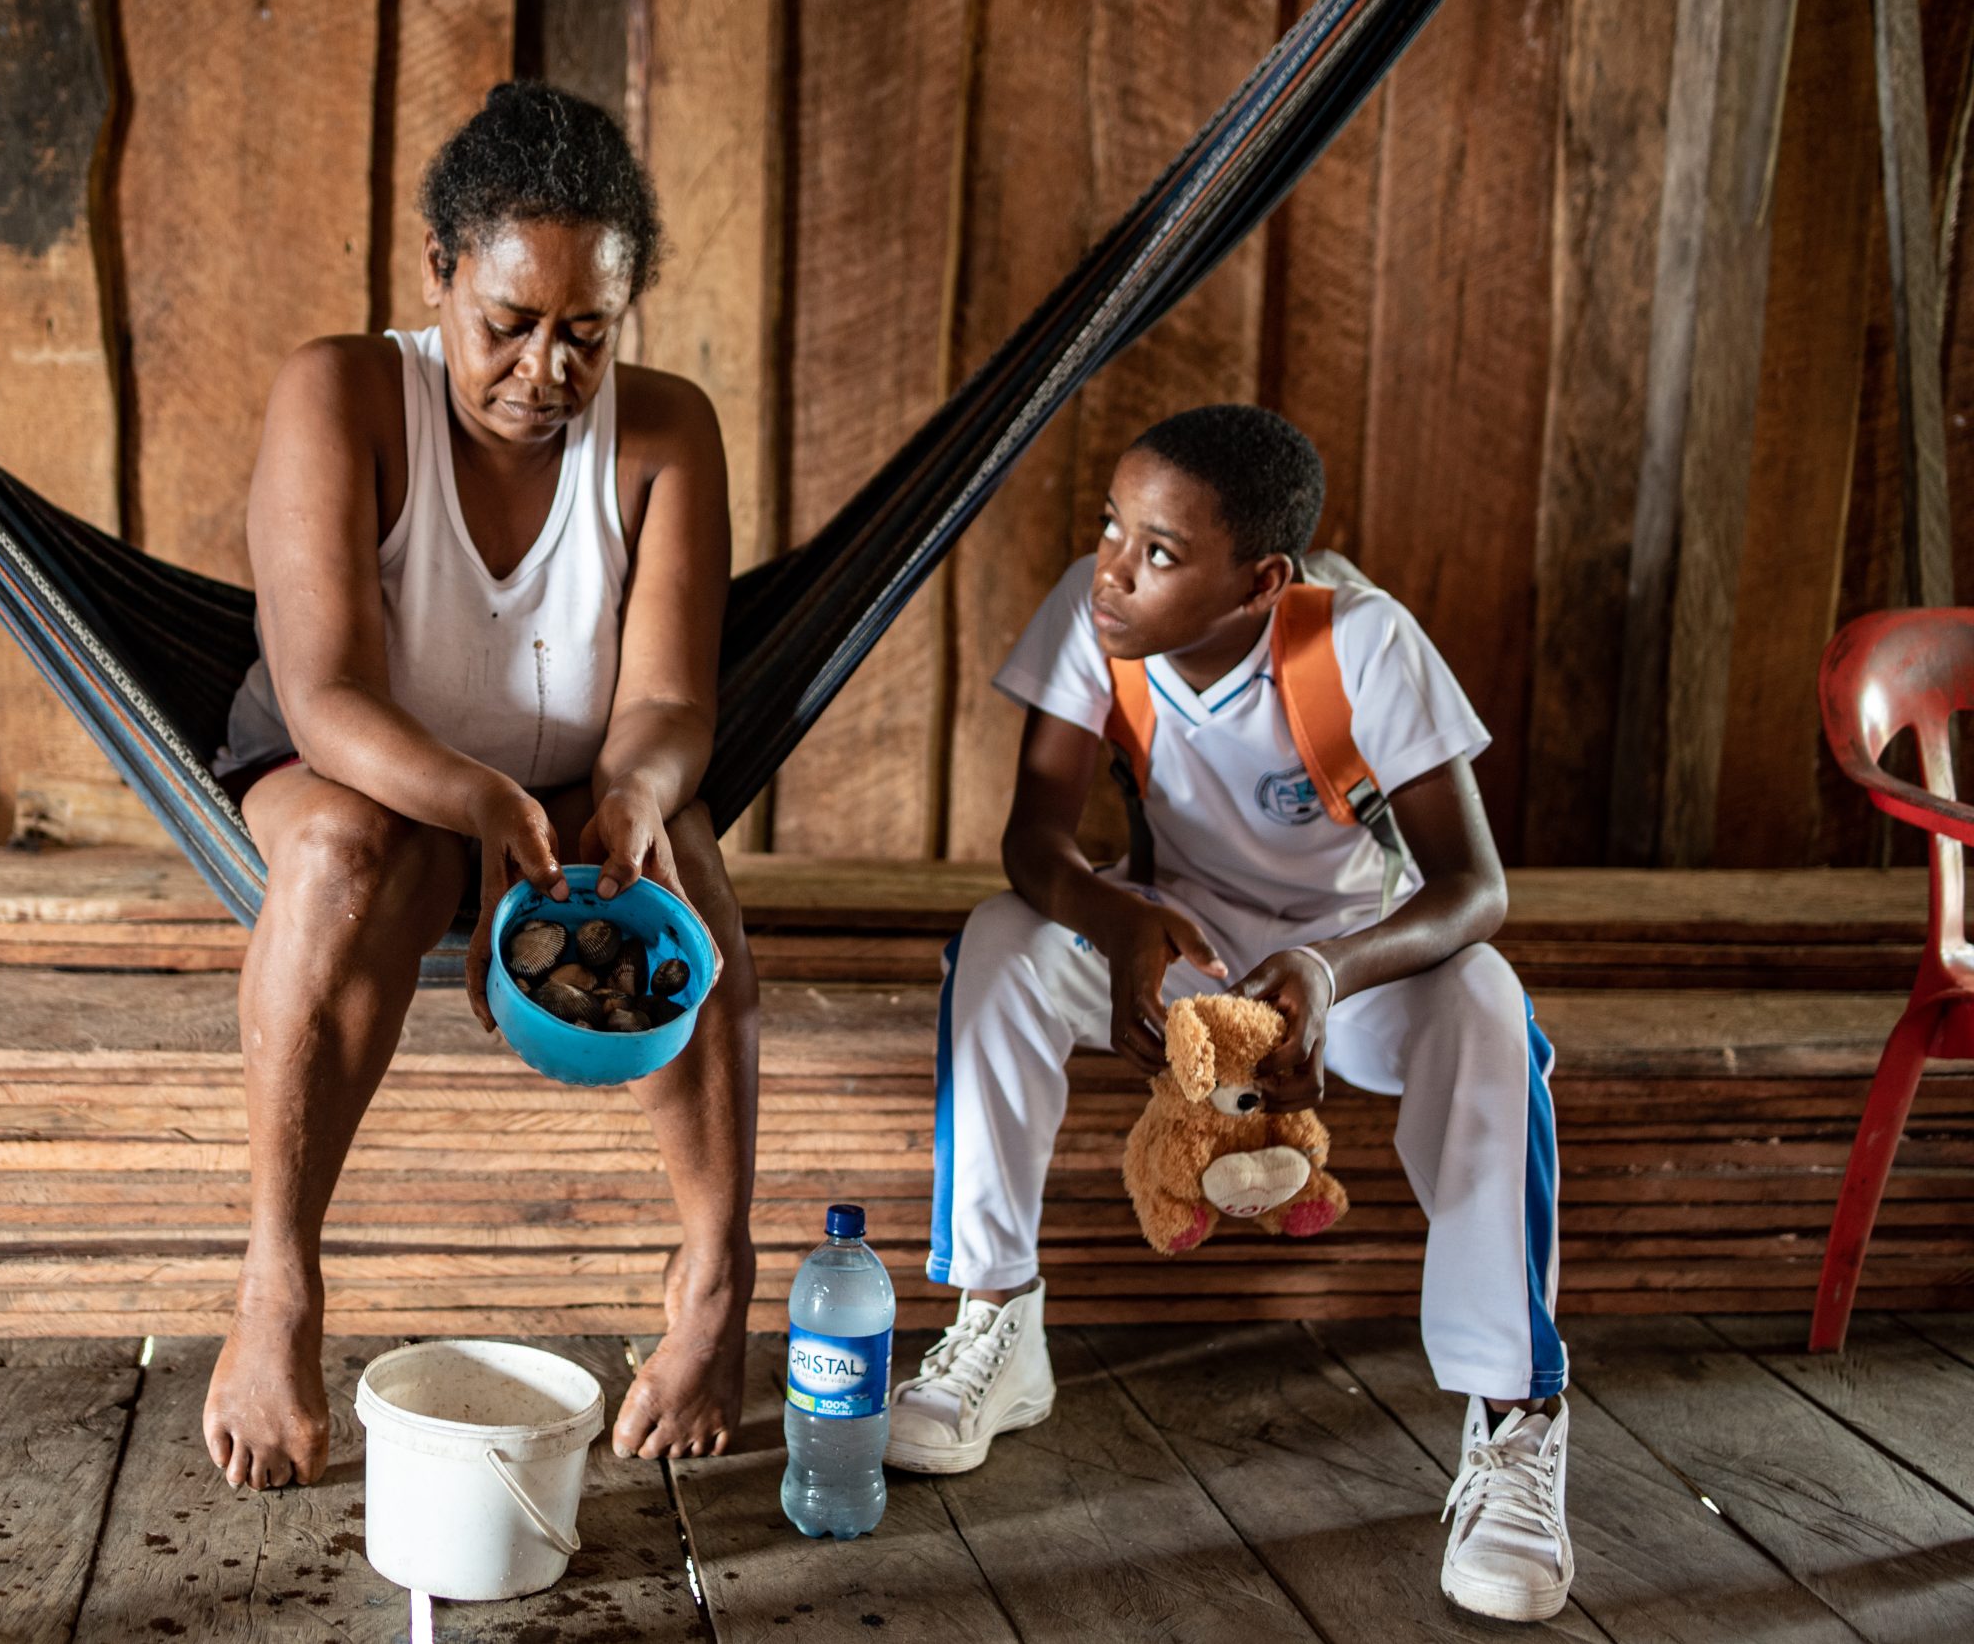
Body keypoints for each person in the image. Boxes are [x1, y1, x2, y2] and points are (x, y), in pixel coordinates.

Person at [891, 405, 1576, 1623]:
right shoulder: (1093, 614)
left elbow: (1474, 889)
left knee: (1486, 996)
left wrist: (1329, 969)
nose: (1112, 568)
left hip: (1346, 969)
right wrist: (1116, 919)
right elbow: (1034, 842)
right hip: (1178, 946)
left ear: (1263, 581)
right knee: (997, 944)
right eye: (1110, 526)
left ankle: (1513, 1416)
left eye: (1157, 552)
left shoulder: (1359, 641)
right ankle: (995, 1319)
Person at [203, 82, 757, 1489]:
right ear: (438, 270)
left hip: (569, 779)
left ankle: (715, 1280)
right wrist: (478, 804)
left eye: (588, 332)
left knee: (682, 872)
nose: (547, 370)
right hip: (351, 765)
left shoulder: (666, 434)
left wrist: (634, 793)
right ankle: (276, 1282)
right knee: (340, 855)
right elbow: (326, 692)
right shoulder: (342, 393)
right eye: (508, 322)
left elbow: (670, 704)